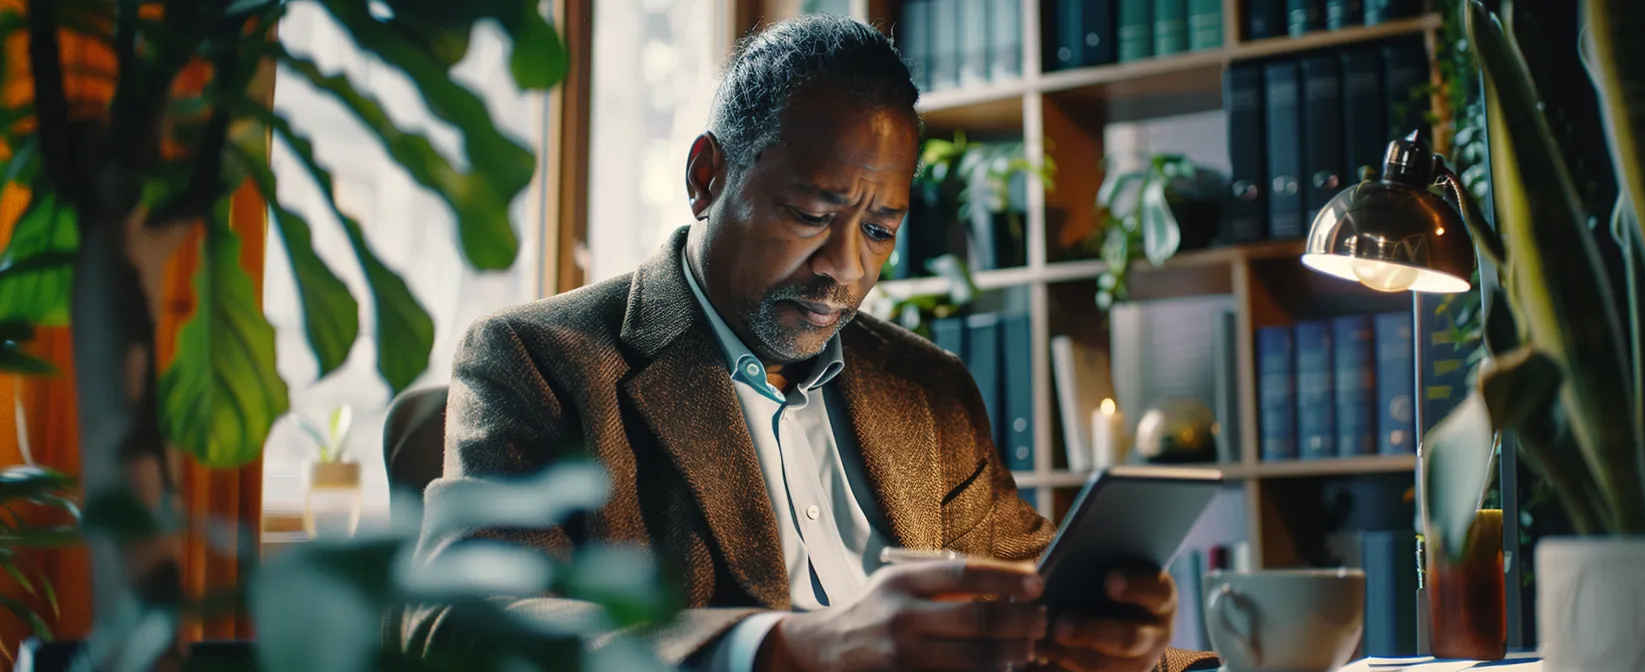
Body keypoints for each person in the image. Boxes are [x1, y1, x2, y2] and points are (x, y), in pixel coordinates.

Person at [405, 14, 1217, 672]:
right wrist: (785, 648)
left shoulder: (929, 388)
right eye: (810, 214)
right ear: (706, 176)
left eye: (879, 228)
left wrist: (1117, 647)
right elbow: (464, 620)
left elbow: (1026, 593)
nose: (844, 269)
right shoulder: (539, 359)